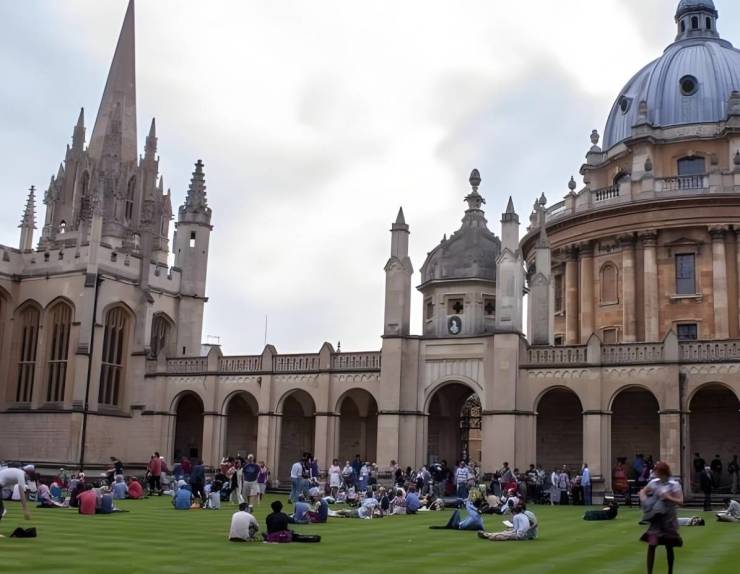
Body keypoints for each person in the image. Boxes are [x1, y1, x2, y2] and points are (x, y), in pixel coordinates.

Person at [639, 461, 683, 574]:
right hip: (656, 520)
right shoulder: (653, 483)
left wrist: (668, 497)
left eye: (657, 471)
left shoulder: (674, 485)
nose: (655, 473)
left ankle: (670, 571)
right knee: (652, 545)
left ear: (663, 472)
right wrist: (645, 502)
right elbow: (642, 491)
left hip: (668, 520)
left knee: (669, 546)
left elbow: (681, 502)